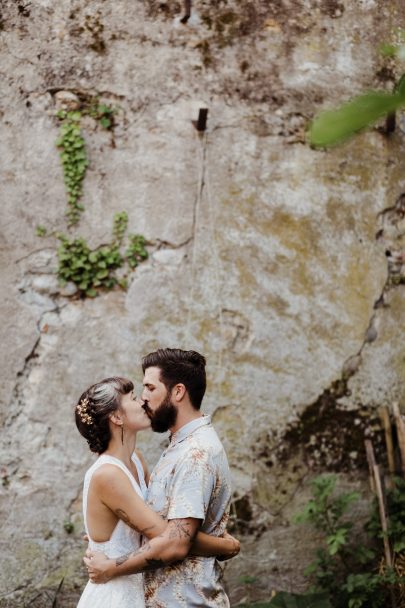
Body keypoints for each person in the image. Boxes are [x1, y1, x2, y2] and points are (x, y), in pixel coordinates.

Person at [85, 349, 235, 607]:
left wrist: (112, 566)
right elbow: (163, 525)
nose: (143, 399)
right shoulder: (179, 445)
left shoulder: (196, 454)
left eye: (150, 388)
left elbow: (175, 543)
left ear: (177, 392)